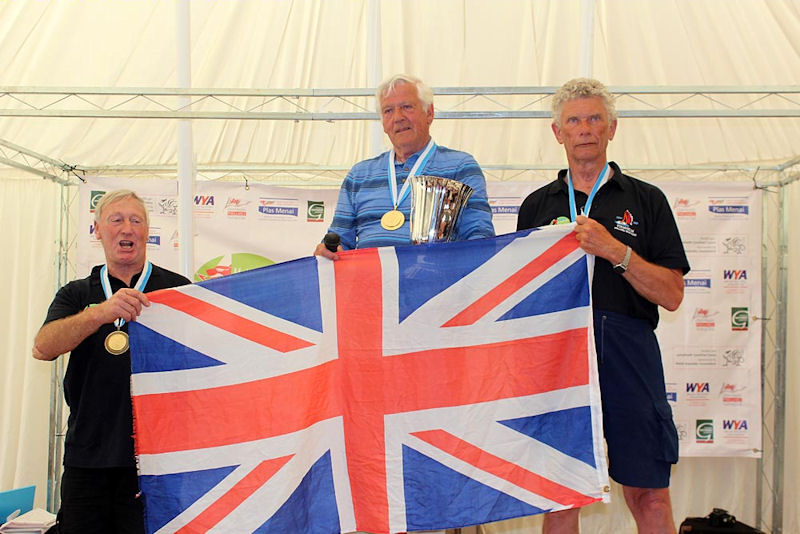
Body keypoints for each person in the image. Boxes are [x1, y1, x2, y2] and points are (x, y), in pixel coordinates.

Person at [517, 78, 690, 534]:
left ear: (612, 127)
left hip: (627, 350)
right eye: (574, 121)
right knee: (560, 497)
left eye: (594, 119)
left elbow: (672, 293)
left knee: (649, 494)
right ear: (558, 133)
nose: (585, 129)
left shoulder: (646, 200)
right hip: (559, 358)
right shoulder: (536, 205)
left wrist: (616, 251)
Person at [33, 189, 190, 534]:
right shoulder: (76, 293)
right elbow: (43, 347)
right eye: (116, 220)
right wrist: (99, 314)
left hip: (155, 462)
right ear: (98, 231)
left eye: (136, 220)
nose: (127, 229)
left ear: (147, 232)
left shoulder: (177, 290)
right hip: (87, 458)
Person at [314, 73, 494, 257]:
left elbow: (480, 237)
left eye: (407, 107)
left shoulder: (461, 167)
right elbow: (339, 240)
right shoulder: (359, 175)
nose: (398, 117)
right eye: (388, 111)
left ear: (429, 113)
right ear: (383, 123)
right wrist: (328, 250)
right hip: (371, 283)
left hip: (438, 283)